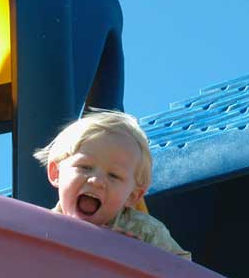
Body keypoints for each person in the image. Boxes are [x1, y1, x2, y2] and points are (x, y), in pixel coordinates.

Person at [34, 109, 191, 260]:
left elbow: (185, 272)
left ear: (132, 196)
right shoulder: (44, 228)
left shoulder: (145, 232)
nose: (96, 181)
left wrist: (144, 256)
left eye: (113, 175)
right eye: (85, 167)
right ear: (56, 173)